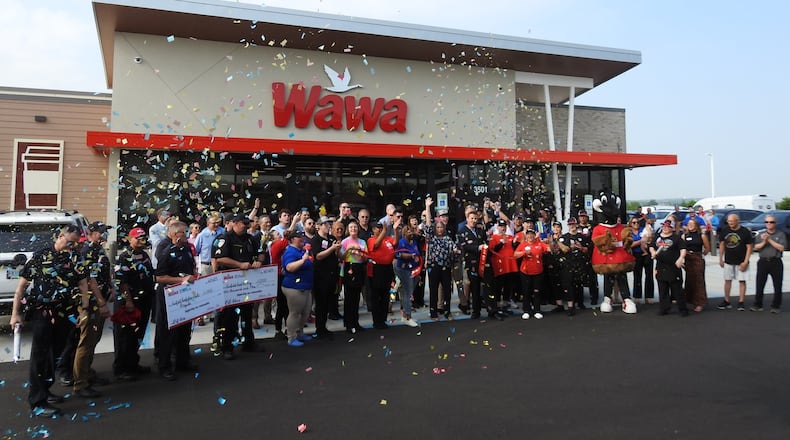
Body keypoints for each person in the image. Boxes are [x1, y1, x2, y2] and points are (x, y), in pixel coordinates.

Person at [9, 225, 95, 417]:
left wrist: (84, 310)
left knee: (54, 355)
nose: (71, 246)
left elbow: (83, 285)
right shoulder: (40, 256)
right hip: (43, 313)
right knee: (40, 356)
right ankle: (37, 401)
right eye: (69, 241)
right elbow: (22, 287)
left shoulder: (75, 258)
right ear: (60, 236)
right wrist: (16, 314)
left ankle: (45, 390)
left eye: (75, 243)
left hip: (66, 314)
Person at [71, 221, 115, 398]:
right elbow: (89, 281)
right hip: (90, 304)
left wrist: (111, 287)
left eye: (106, 232)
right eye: (101, 232)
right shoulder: (86, 251)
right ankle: (80, 383)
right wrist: (101, 302)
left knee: (93, 341)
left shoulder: (98, 249)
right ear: (91, 233)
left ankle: (87, 374)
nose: (104, 235)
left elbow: (104, 273)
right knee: (86, 343)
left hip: (102, 298)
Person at [213, 214, 265, 360]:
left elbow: (260, 252)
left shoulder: (250, 238)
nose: (246, 225)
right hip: (230, 283)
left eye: (248, 223)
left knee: (247, 313)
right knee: (229, 317)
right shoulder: (224, 238)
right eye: (243, 223)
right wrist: (239, 265)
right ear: (235, 223)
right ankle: (227, 347)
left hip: (247, 283)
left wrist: (259, 261)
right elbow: (220, 258)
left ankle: (248, 342)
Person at [154, 220, 198, 380]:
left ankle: (183, 361)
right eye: (184, 233)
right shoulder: (166, 252)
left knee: (185, 330)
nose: (187, 235)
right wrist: (182, 280)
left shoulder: (186, 248)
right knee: (168, 332)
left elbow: (191, 266)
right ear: (175, 235)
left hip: (185, 294)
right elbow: (159, 277)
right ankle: (165, 366)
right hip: (169, 295)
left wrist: (193, 274)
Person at [112, 227, 155, 381]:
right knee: (125, 336)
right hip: (128, 303)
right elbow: (121, 282)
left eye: (143, 237)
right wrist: (128, 301)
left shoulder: (144, 255)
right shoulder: (124, 257)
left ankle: (132, 364)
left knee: (138, 334)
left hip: (144, 300)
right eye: (137, 238)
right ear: (130, 239)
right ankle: (121, 368)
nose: (141, 240)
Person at [423, 200, 460, 320]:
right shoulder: (431, 237)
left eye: (441, 227)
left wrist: (456, 251)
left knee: (447, 291)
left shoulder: (447, 238)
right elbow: (428, 223)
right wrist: (427, 207)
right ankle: (433, 313)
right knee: (433, 291)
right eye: (437, 227)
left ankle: (447, 312)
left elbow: (454, 247)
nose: (439, 229)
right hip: (434, 267)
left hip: (446, 267)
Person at [281, 230, 316, 347]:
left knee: (305, 312)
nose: (301, 239)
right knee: (295, 313)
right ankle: (291, 336)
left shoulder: (301, 251)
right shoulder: (290, 252)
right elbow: (289, 267)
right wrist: (303, 260)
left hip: (305, 287)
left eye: (302, 236)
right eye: (298, 237)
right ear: (292, 240)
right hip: (294, 287)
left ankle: (300, 332)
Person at [311, 216, 342, 338]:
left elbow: (337, 255)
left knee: (330, 300)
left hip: (332, 274)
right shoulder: (316, 240)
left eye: (329, 224)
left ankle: (324, 326)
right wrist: (332, 248)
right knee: (321, 303)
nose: (328, 226)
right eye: (325, 224)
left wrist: (337, 250)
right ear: (319, 226)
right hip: (320, 275)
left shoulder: (331, 238)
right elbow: (318, 256)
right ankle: (320, 328)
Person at [650, 220, 689, 316]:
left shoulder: (676, 238)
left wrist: (681, 259)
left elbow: (683, 249)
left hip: (673, 266)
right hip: (661, 266)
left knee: (677, 289)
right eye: (664, 226)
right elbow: (651, 246)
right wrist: (652, 252)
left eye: (668, 227)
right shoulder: (657, 237)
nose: (665, 228)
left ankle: (683, 309)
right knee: (662, 289)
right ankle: (664, 308)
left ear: (672, 228)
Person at [750, 214, 786, 313]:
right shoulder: (761, 234)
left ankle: (776, 306)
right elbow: (756, 247)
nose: (769, 224)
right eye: (767, 222)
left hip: (775, 261)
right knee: (760, 284)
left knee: (777, 285)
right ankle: (758, 304)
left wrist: (769, 240)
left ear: (775, 223)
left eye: (771, 222)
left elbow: (781, 247)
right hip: (763, 261)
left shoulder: (780, 234)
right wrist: (764, 241)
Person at [717, 214, 753, 311]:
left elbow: (749, 247)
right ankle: (726, 300)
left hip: (741, 260)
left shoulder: (745, 231)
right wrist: (721, 258)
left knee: (742, 281)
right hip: (729, 260)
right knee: (727, 280)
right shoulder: (725, 230)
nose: (730, 223)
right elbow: (722, 244)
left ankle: (741, 302)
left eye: (732, 221)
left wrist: (746, 261)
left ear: (737, 221)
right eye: (729, 221)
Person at [513, 228, 550, 319]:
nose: (530, 236)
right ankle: (526, 310)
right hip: (525, 272)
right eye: (528, 234)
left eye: (532, 234)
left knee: (537, 292)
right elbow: (515, 255)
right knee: (526, 292)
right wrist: (524, 252)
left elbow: (548, 249)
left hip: (538, 271)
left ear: (534, 235)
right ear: (526, 235)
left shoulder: (540, 244)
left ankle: (537, 310)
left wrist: (550, 243)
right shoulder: (523, 245)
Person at [457, 209, 487, 319]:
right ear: (467, 219)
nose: (474, 221)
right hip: (470, 263)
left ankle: (484, 307)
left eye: (475, 219)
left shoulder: (480, 230)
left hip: (482, 262)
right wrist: (477, 248)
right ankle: (475, 311)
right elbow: (464, 246)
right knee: (473, 287)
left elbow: (485, 241)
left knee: (482, 286)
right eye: (472, 219)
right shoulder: (462, 231)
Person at [366, 222, 397, 329]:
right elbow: (376, 245)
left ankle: (383, 319)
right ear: (373, 229)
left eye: (381, 228)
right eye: (378, 228)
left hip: (387, 269)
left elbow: (395, 243)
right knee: (376, 295)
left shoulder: (388, 239)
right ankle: (377, 320)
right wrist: (384, 231)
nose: (380, 230)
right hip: (376, 269)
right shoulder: (371, 239)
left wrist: (395, 230)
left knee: (385, 295)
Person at [340, 220, 368, 332]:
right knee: (349, 297)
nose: (353, 229)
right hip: (349, 267)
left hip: (359, 268)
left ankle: (355, 322)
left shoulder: (362, 242)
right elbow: (341, 256)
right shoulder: (345, 241)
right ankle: (348, 323)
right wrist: (348, 250)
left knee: (356, 297)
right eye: (351, 227)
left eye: (355, 227)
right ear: (348, 229)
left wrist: (359, 253)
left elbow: (366, 256)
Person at [488, 218, 518, 318]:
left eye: (504, 226)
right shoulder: (494, 237)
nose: (503, 228)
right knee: (498, 286)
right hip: (500, 266)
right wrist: (502, 242)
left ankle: (505, 305)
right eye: (501, 226)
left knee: (508, 286)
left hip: (510, 265)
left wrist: (514, 243)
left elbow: (514, 248)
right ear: (498, 227)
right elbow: (493, 250)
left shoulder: (510, 236)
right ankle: (497, 306)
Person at [394, 223, 421, 327]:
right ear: (404, 233)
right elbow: (400, 254)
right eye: (408, 231)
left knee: (409, 292)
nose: (411, 233)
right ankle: (407, 316)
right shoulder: (401, 242)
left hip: (413, 269)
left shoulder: (414, 242)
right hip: (404, 269)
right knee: (408, 293)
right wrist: (411, 255)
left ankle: (405, 314)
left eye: (411, 231)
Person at [545, 221, 574, 316]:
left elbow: (566, 249)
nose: (556, 229)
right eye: (554, 227)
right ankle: (559, 305)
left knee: (567, 285)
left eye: (558, 227)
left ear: (561, 228)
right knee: (556, 285)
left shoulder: (566, 237)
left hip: (565, 264)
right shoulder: (550, 238)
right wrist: (550, 242)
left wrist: (557, 241)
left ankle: (570, 306)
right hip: (554, 265)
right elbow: (550, 251)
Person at [682, 218, 710, 313]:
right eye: (688, 224)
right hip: (687, 259)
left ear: (696, 225)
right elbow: (681, 248)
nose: (689, 225)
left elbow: (707, 248)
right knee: (689, 280)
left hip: (697, 258)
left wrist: (700, 255)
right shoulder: (684, 236)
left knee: (699, 280)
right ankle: (689, 300)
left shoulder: (701, 236)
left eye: (692, 224)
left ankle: (699, 303)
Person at [629, 216, 655, 305]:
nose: (636, 224)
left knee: (649, 275)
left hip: (646, 254)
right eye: (634, 223)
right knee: (637, 275)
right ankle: (637, 296)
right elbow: (630, 245)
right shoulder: (629, 233)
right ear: (631, 224)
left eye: (637, 222)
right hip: (636, 255)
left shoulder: (643, 230)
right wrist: (641, 241)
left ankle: (649, 296)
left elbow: (650, 238)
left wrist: (647, 239)